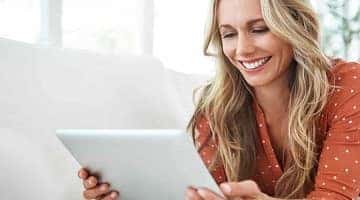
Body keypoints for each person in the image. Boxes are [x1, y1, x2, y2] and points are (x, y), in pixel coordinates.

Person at [77, 0, 360, 199]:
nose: (242, 49)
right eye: (228, 34)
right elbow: (206, 193)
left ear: (295, 28)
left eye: (259, 29)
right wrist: (127, 194)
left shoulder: (349, 87)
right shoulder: (218, 108)